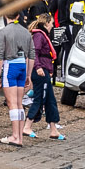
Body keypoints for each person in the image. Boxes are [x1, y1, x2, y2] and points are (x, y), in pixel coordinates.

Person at [0, 12, 35, 146]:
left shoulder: (3, 31)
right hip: (22, 65)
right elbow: (31, 54)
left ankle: (15, 136)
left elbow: (0, 54)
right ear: (18, 16)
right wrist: (28, 75)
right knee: (19, 103)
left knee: (12, 104)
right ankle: (19, 138)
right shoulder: (26, 32)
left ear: (6, 16)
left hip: (10, 66)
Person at [27, 12, 64, 141]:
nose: (53, 26)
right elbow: (34, 53)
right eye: (52, 23)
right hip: (40, 73)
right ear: (46, 23)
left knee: (50, 101)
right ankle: (27, 126)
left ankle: (53, 129)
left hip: (45, 72)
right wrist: (38, 67)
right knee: (39, 99)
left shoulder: (43, 36)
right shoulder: (39, 36)